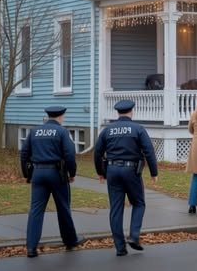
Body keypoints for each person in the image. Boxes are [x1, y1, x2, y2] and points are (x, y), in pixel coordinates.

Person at [94, 99, 158, 256]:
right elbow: (149, 151)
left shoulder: (107, 130)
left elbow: (97, 152)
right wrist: (153, 172)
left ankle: (120, 248)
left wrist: (100, 172)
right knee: (138, 203)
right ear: (131, 112)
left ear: (118, 112)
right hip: (131, 171)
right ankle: (134, 236)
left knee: (116, 208)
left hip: (112, 170)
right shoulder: (138, 129)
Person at [20, 105, 83, 258]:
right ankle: (70, 241)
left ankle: (31, 247)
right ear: (61, 116)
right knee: (63, 208)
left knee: (36, 210)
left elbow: (24, 154)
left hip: (38, 173)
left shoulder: (34, 131)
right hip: (57, 174)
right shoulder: (62, 131)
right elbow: (70, 154)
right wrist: (72, 173)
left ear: (48, 116)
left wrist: (27, 174)